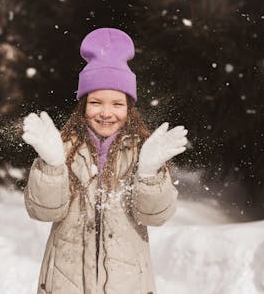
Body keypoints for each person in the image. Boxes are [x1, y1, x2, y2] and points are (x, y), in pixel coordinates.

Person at [21, 28, 188, 294]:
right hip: (66, 283)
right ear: (83, 105)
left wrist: (148, 173)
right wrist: (53, 166)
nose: (106, 113)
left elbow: (155, 216)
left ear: (129, 108)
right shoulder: (63, 148)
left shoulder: (142, 152)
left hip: (128, 284)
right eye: (96, 102)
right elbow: (44, 211)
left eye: (117, 104)